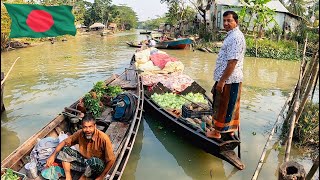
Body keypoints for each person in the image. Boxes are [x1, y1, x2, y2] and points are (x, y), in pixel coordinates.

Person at [206, 11, 246, 139]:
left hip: (228, 79)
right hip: (231, 78)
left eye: (229, 20)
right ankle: (229, 130)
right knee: (231, 106)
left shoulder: (235, 37)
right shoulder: (232, 35)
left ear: (236, 22)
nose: (226, 23)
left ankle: (217, 132)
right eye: (224, 21)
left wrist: (222, 81)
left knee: (221, 106)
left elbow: (232, 62)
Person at [46, 113, 115, 180]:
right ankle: (68, 177)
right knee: (64, 149)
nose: (87, 130)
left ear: (95, 126)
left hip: (97, 166)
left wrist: (101, 177)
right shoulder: (80, 133)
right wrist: (53, 155)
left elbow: (111, 160)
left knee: (94, 161)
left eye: (90, 127)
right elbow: (64, 142)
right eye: (85, 127)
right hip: (85, 162)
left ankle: (83, 177)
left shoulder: (103, 138)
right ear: (82, 126)